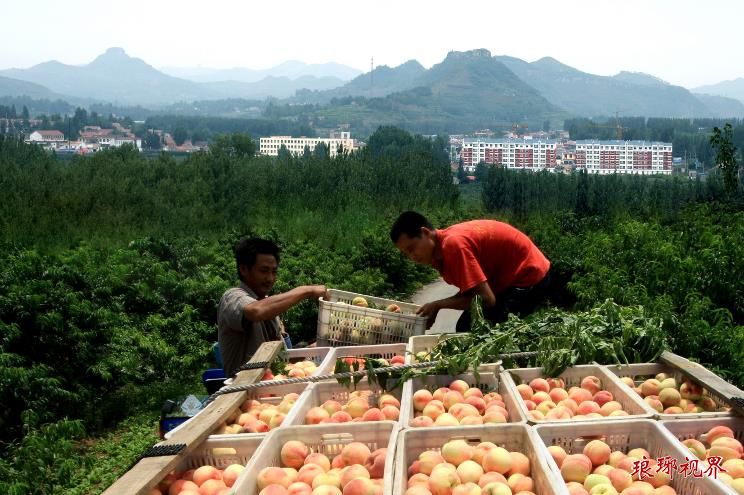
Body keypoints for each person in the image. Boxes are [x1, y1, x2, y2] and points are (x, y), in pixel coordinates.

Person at [390, 211, 552, 332]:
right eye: (406, 253)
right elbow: (472, 293)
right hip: (510, 279)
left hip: (529, 275)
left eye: (412, 249)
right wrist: (436, 306)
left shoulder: (453, 245)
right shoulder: (438, 256)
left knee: (485, 332)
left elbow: (486, 299)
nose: (412, 257)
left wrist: (438, 305)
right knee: (466, 326)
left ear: (426, 233)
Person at [217, 237, 327, 376]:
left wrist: (313, 349)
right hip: (245, 391)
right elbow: (255, 311)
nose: (270, 278)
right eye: (264, 271)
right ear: (244, 269)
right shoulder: (232, 297)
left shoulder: (269, 307)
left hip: (271, 386)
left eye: (274, 272)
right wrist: (306, 290)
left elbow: (280, 361)